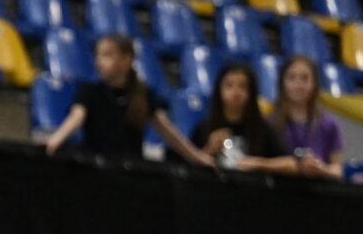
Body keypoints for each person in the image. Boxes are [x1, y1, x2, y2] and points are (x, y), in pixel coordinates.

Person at [41, 33, 208, 167]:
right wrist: (54, 141)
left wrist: (196, 157)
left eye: (106, 55)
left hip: (131, 172)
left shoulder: (143, 94)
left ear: (127, 60)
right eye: (97, 55)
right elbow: (75, 118)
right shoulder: (90, 92)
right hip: (95, 169)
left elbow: (168, 131)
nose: (99, 61)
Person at [190, 59, 294, 173]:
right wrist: (209, 150)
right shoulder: (203, 128)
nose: (235, 92)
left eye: (242, 86)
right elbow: (187, 169)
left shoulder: (264, 130)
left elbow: (290, 163)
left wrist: (259, 164)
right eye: (229, 85)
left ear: (251, 93)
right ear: (219, 90)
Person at [271, 54, 346, 179]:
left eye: (304, 78)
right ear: (282, 83)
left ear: (314, 84)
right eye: (291, 77)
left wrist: (322, 169)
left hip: (319, 193)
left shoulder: (329, 124)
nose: (298, 84)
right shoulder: (271, 124)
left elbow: (337, 170)